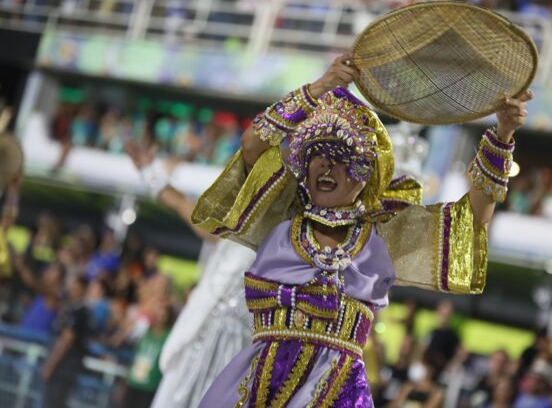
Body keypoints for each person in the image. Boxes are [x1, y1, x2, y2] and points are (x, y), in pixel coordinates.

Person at [193, 52, 532, 407]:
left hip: (337, 394)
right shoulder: (280, 215)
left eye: (344, 159)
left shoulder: (383, 235)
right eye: (318, 153)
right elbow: (251, 147)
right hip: (257, 386)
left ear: (366, 176)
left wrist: (503, 135)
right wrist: (321, 87)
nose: (327, 166)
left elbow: (471, 222)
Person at [124, 141, 256, 408]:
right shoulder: (231, 231)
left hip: (235, 348)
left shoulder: (285, 235)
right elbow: (185, 207)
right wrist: (151, 172)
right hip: (198, 334)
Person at [41, 275, 90, 408]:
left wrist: (51, 364)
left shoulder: (80, 312)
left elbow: (67, 339)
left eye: (76, 288)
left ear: (84, 290)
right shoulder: (69, 307)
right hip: (61, 365)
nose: (72, 290)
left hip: (64, 366)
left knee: (53, 403)